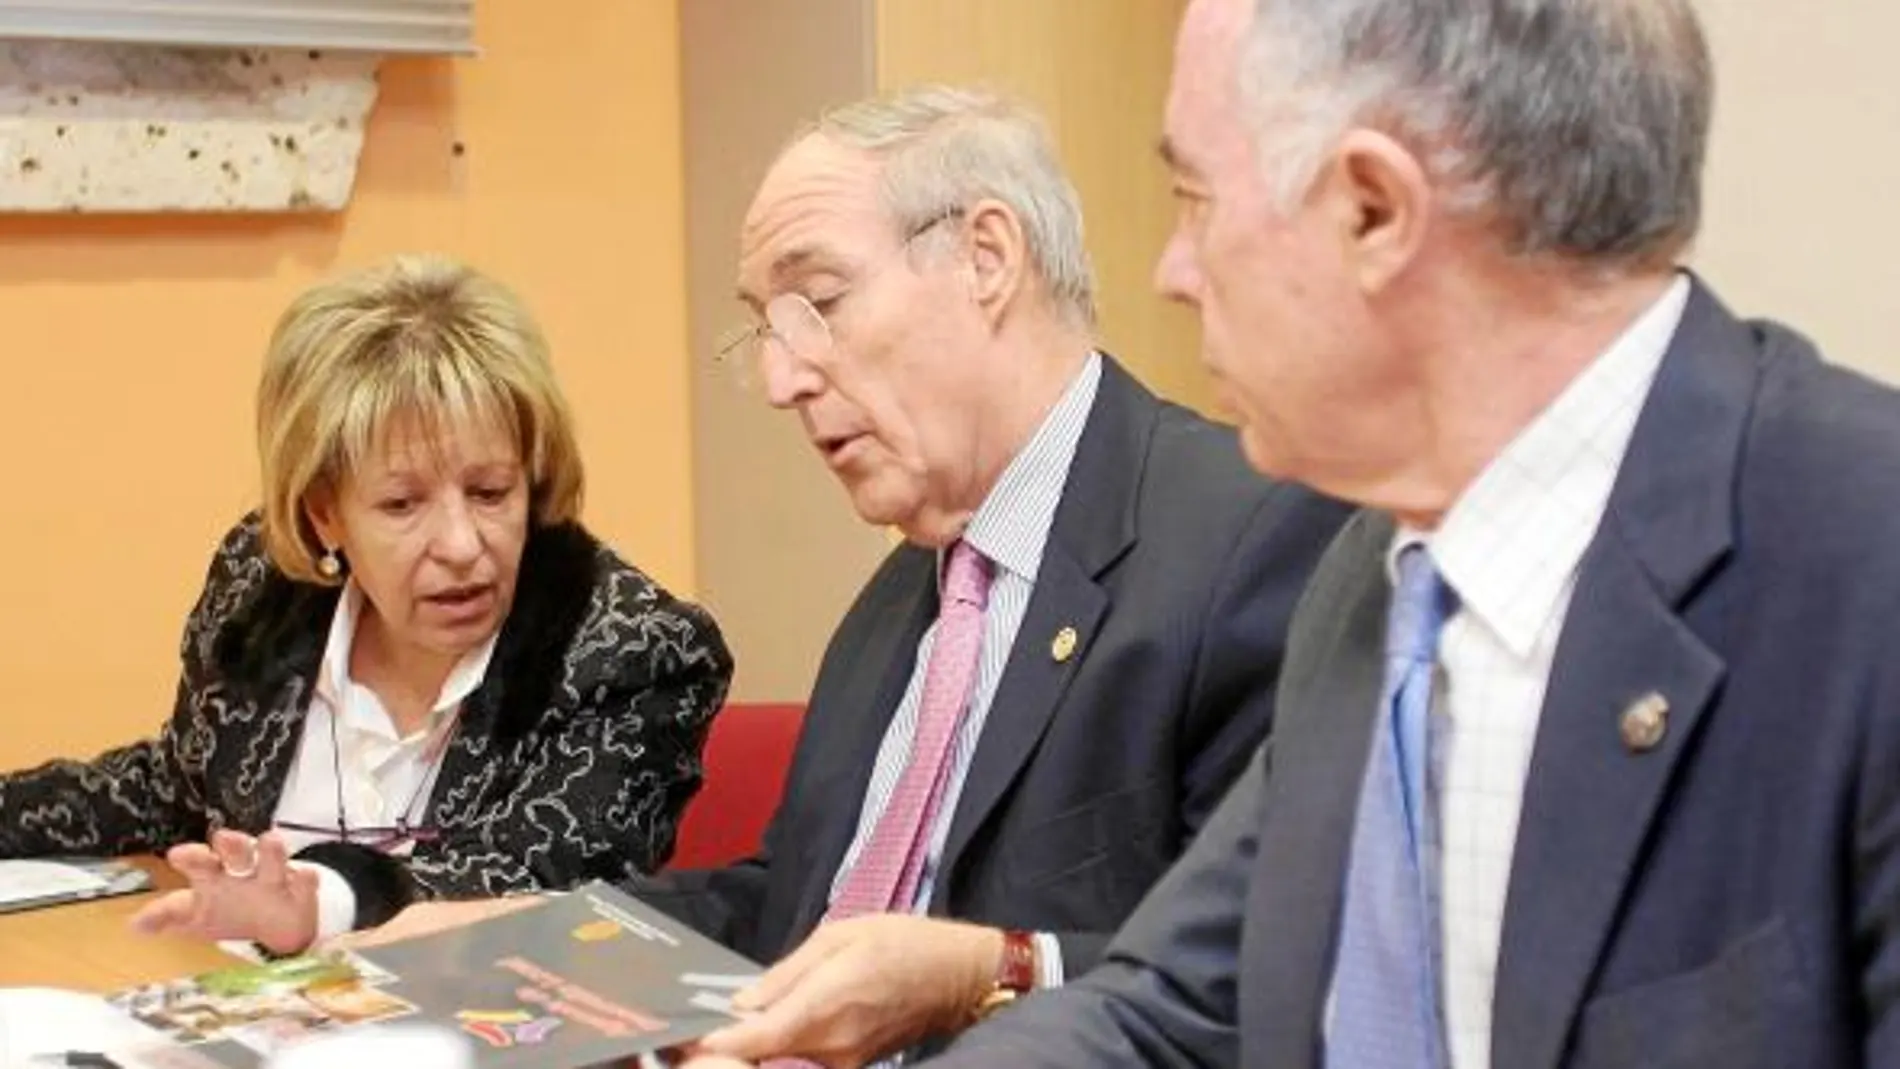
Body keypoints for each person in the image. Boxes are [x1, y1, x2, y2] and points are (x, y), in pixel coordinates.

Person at [802, 0, 1900, 1066]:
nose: (1170, 274)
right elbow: (1172, 1010)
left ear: (1374, 209)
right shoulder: (1374, 581)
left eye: (1195, 199)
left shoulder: (1860, 561)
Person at [347, 87, 1349, 1067]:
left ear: (985, 259)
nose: (782, 378)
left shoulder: (1251, 537)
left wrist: (985, 969)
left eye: (818, 303)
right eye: (766, 329)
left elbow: (1273, 979)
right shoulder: (900, 598)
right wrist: (513, 936)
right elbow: (791, 906)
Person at [0, 254, 734, 955]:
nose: (460, 544)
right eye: (402, 502)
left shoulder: (634, 649)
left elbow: (537, 886)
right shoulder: (263, 590)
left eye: (490, 492)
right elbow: (178, 787)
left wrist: (322, 898)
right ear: (325, 514)